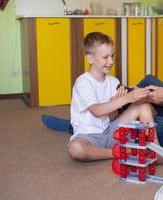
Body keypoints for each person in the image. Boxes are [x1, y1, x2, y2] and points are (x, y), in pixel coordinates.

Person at [42, 6, 163, 153]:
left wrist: (135, 98)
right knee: (147, 81)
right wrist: (144, 94)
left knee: (134, 119)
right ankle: (82, 124)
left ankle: (75, 127)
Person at [63, 32, 153, 161]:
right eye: (105, 57)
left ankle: (154, 147)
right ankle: (117, 152)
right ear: (90, 58)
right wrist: (127, 98)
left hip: (110, 131)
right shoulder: (83, 82)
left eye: (112, 56)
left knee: (143, 106)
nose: (111, 61)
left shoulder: (113, 82)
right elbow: (97, 111)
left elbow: (111, 117)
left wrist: (117, 103)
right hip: (89, 136)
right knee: (76, 148)